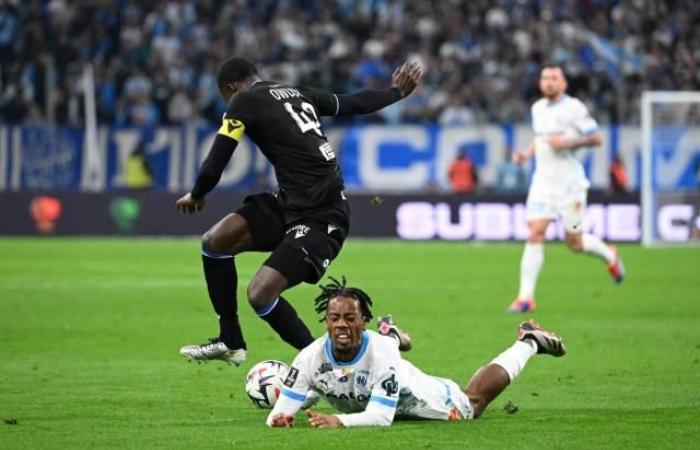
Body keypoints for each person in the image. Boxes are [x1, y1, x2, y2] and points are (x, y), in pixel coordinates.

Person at [175, 57, 422, 365]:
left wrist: (197, 194)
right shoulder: (294, 92)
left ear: (230, 88)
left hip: (322, 214)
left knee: (260, 293)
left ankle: (330, 364)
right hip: (289, 203)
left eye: (227, 97)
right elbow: (352, 103)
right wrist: (395, 92)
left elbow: (218, 158)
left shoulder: (243, 100)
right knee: (216, 241)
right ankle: (230, 340)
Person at [267, 277, 565, 428]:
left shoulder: (380, 352)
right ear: (326, 322)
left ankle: (529, 341)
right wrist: (278, 420)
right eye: (335, 319)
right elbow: (281, 412)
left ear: (364, 321)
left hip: (416, 398)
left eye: (350, 318)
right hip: (372, 390)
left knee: (472, 403)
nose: (341, 325)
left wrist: (339, 421)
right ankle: (395, 335)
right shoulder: (309, 357)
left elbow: (381, 417)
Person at [508, 64, 625, 314]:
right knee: (535, 232)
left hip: (570, 187)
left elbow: (596, 138)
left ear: (564, 84)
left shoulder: (574, 108)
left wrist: (568, 142)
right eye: (545, 77)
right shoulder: (537, 108)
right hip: (542, 184)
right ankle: (526, 297)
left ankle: (610, 255)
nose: (549, 82)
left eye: (554, 78)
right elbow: (541, 139)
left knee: (575, 242)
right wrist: (526, 155)